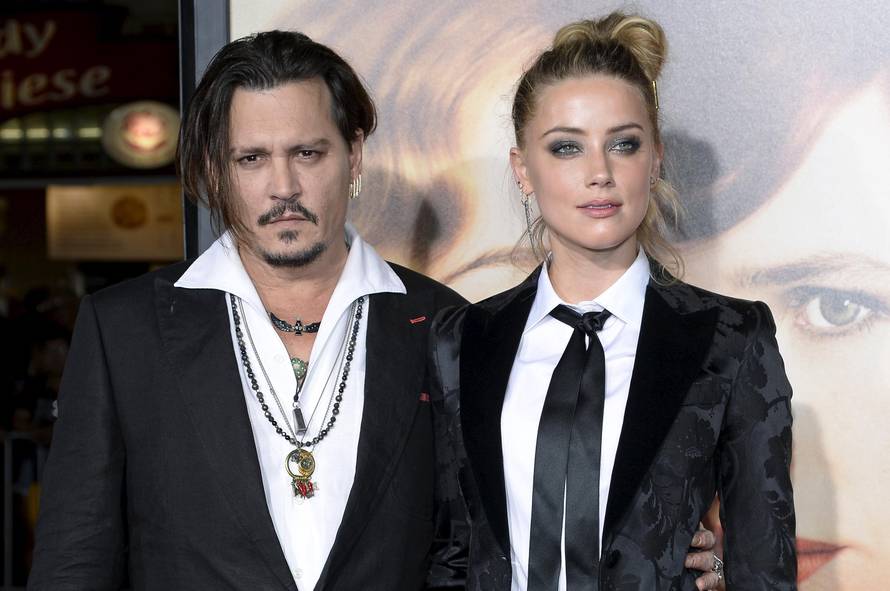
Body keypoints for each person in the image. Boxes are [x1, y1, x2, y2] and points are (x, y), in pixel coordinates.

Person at [28, 31, 467, 590]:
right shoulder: (125, 331)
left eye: (307, 153)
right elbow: (75, 559)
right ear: (217, 168)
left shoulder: (442, 322)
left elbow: (468, 549)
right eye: (252, 158)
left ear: (353, 154)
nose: (283, 186)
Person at [429, 13, 796, 590]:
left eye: (623, 144)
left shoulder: (731, 337)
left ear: (655, 160)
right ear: (523, 170)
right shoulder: (461, 340)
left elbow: (765, 564)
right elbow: (452, 552)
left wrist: (717, 571)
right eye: (567, 148)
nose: (599, 173)